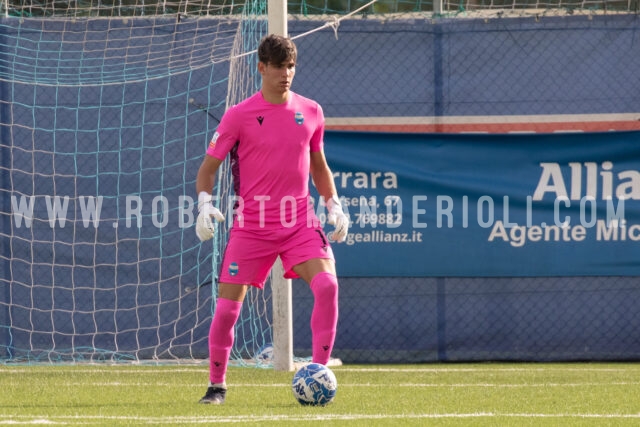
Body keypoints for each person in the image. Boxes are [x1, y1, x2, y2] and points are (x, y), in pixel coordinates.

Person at [194, 34, 349, 405]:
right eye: (279, 66)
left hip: (299, 222)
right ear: (261, 67)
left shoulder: (311, 110)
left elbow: (319, 166)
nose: (286, 74)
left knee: (327, 286)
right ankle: (217, 387)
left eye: (291, 66)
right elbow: (208, 169)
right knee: (228, 309)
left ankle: (317, 375)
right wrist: (203, 203)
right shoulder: (238, 116)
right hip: (252, 226)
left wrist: (334, 205)